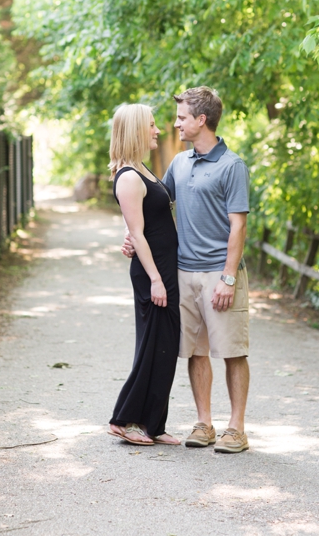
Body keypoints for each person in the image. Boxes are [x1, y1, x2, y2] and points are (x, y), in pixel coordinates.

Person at [125, 86, 251, 454]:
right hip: (183, 273)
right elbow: (155, 205)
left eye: (182, 117)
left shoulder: (233, 166)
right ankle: (204, 422)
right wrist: (132, 235)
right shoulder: (180, 163)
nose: (175, 124)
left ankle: (236, 428)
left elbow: (238, 225)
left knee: (232, 351)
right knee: (195, 351)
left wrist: (228, 277)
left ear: (201, 120)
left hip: (220, 274)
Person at [107, 104, 182, 446]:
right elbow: (137, 233)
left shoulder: (143, 170)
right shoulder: (128, 176)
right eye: (151, 126)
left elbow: (141, 227)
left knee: (166, 344)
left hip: (164, 267)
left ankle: (154, 423)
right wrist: (154, 278)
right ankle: (123, 419)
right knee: (152, 343)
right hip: (152, 272)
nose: (157, 131)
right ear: (136, 130)